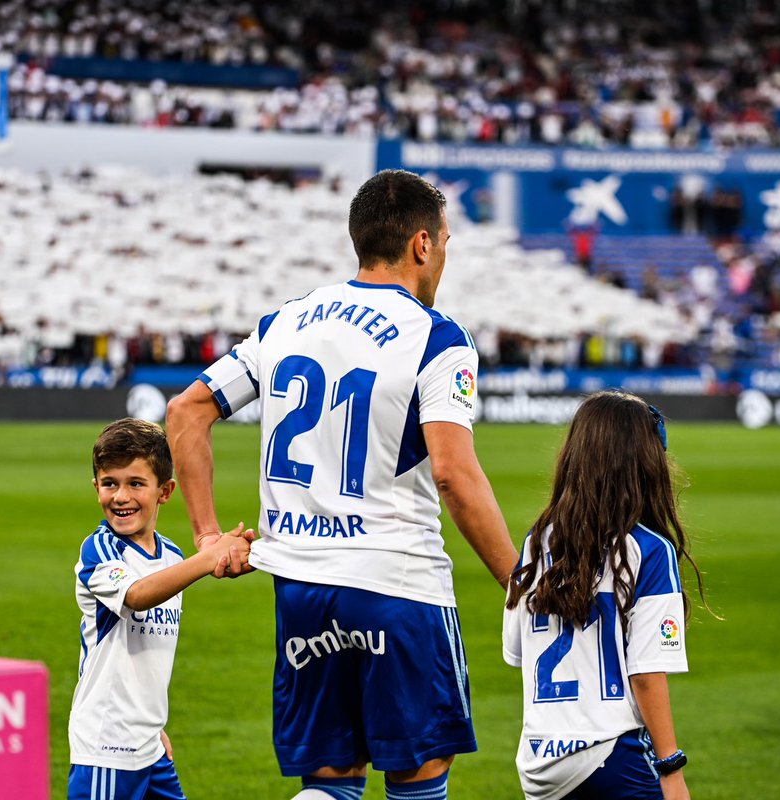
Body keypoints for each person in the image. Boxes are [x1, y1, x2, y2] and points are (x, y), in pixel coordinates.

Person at [165, 170, 519, 800]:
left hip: (301, 587)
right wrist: (519, 585)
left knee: (331, 784)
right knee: (417, 780)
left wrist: (208, 536)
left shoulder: (285, 322)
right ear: (422, 244)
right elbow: (453, 474)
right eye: (444, 243)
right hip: (398, 584)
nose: (444, 257)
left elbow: (185, 411)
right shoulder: (436, 336)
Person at [502, 391, 706, 800]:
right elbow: (646, 674)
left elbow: (516, 650)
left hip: (540, 764)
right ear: (645, 462)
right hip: (613, 756)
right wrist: (670, 767)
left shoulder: (538, 541)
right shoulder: (649, 549)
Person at [68, 418, 247, 800]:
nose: (121, 496)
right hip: (107, 747)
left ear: (165, 491)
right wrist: (210, 557)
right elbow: (137, 595)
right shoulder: (100, 549)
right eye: (110, 483)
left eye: (136, 483)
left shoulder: (171, 556)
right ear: (96, 487)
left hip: (148, 745)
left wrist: (152, 726)